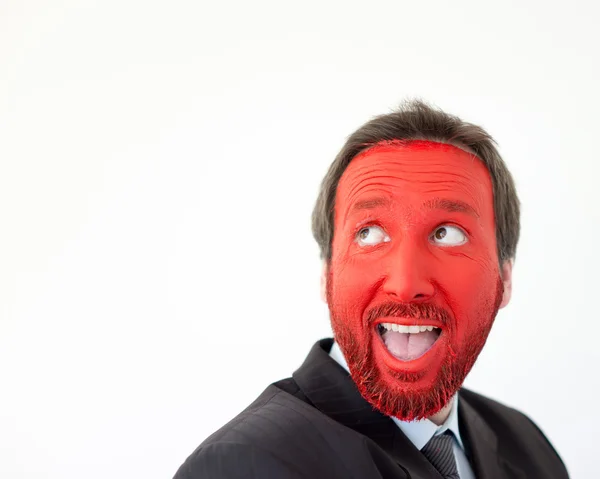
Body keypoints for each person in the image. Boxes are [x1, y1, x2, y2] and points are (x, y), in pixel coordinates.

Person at [173, 101, 569, 478]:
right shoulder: (243, 465)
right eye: (370, 233)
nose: (405, 286)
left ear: (505, 279)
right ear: (327, 275)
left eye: (447, 235)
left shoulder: (527, 446)